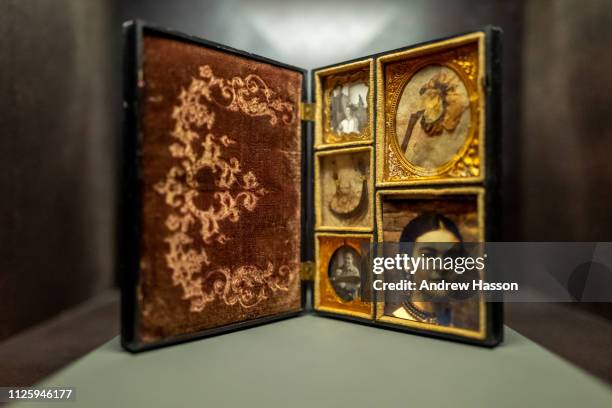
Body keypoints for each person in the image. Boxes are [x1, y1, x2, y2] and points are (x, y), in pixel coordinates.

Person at [390, 213, 464, 326]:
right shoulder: (397, 324)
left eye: (452, 256)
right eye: (429, 256)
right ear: (407, 262)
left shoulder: (461, 325)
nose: (442, 266)